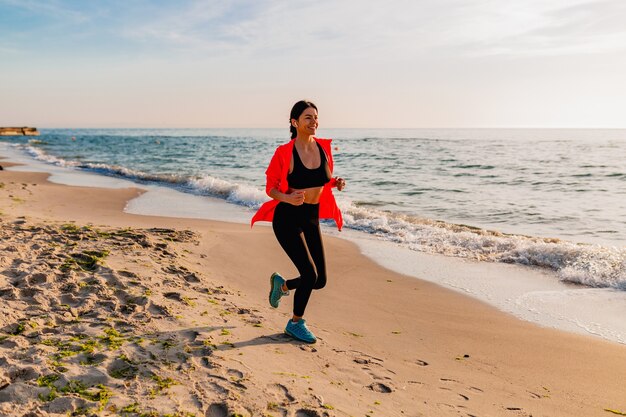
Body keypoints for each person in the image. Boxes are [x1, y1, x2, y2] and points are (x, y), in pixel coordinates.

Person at [251, 100, 346, 343]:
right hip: (287, 219)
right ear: (295, 122)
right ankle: (295, 323)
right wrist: (287, 197)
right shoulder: (285, 152)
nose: (314, 121)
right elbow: (270, 188)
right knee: (309, 273)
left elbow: (319, 179)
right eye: (308, 117)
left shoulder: (323, 148)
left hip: (311, 217)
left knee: (320, 280)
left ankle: (282, 286)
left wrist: (334, 183)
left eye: (315, 117)